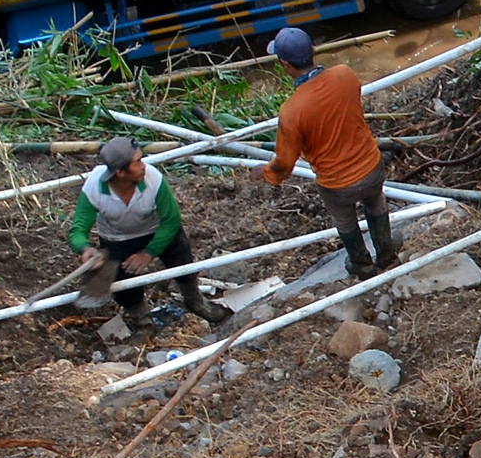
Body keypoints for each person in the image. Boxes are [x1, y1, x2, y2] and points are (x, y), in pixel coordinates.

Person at [263, 26, 394, 277]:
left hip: (337, 185)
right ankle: (387, 255)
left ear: (285, 65)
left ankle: (362, 264)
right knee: (376, 202)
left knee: (345, 221)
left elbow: (285, 161)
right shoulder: (345, 75)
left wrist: (269, 173)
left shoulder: (292, 111)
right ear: (313, 51)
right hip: (371, 166)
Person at [67, 137, 228, 324]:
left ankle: (195, 300)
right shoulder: (94, 187)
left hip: (157, 229)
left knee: (182, 261)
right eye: (137, 162)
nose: (144, 165)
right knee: (124, 287)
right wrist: (85, 248)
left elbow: (171, 220)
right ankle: (141, 319)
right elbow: (77, 229)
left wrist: (149, 253)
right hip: (117, 238)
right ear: (120, 172)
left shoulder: (152, 179)